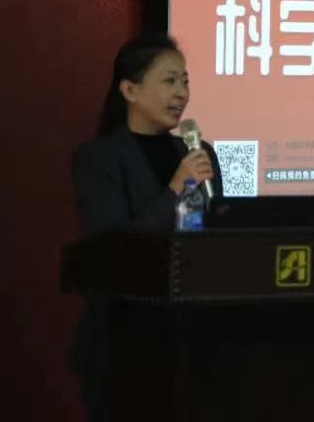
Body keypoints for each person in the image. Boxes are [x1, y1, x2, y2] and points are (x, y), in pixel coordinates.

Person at [69, 34, 223, 420]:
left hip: (192, 340)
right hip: (123, 341)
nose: (182, 93)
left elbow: (213, 233)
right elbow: (114, 246)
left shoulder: (198, 152)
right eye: (169, 81)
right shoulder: (99, 158)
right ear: (130, 90)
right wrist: (175, 189)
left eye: (185, 81)